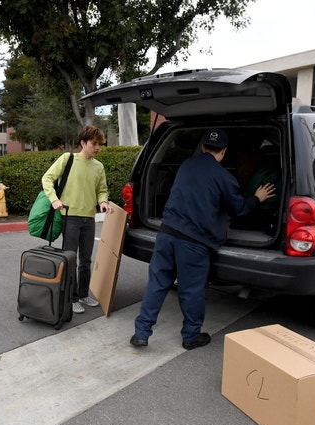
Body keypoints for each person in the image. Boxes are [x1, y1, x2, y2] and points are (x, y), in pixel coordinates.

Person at [131, 128, 275, 350]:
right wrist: (257, 197)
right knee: (191, 290)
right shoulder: (225, 177)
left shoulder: (186, 166)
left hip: (167, 233)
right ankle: (191, 336)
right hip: (194, 242)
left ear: (204, 147)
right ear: (224, 152)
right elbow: (239, 210)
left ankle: (141, 333)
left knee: (158, 283)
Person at [42, 125, 110, 314]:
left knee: (86, 260)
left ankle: (83, 294)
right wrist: (54, 200)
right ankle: (71, 299)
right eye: (94, 144)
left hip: (89, 218)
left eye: (99, 144)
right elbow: (47, 178)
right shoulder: (68, 159)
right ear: (83, 142)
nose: (97, 148)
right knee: (70, 259)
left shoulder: (99, 167)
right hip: (69, 217)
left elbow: (102, 190)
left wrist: (103, 202)